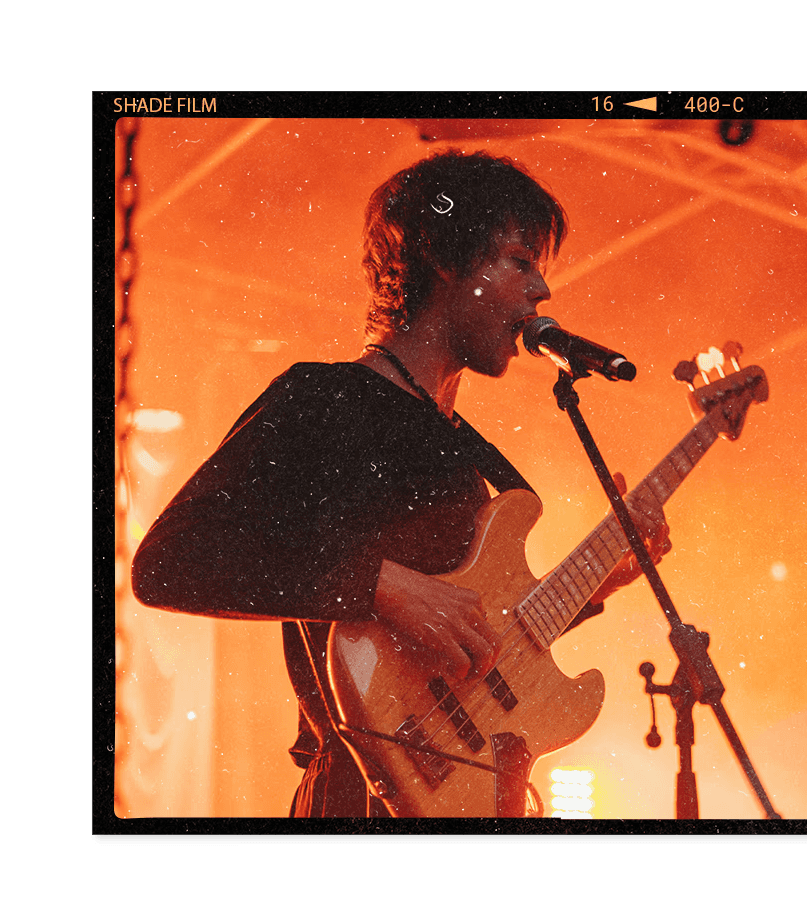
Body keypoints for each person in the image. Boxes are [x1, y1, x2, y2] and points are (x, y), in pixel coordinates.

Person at [131, 150, 670, 817]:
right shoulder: (324, 399)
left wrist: (600, 582)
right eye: (519, 261)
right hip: (356, 794)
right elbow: (169, 562)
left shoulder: (464, 449)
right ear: (445, 257)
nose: (542, 291)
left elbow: (471, 656)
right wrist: (381, 585)